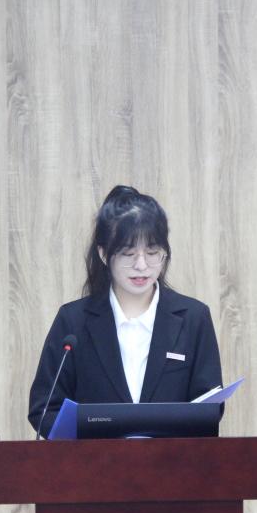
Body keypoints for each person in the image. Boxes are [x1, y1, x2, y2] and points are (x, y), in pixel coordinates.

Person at [28, 185, 224, 437]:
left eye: (152, 253)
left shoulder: (193, 318)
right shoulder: (73, 322)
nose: (141, 265)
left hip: (172, 461)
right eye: (128, 253)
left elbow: (209, 408)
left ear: (165, 253)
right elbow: (44, 409)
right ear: (103, 254)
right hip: (95, 461)